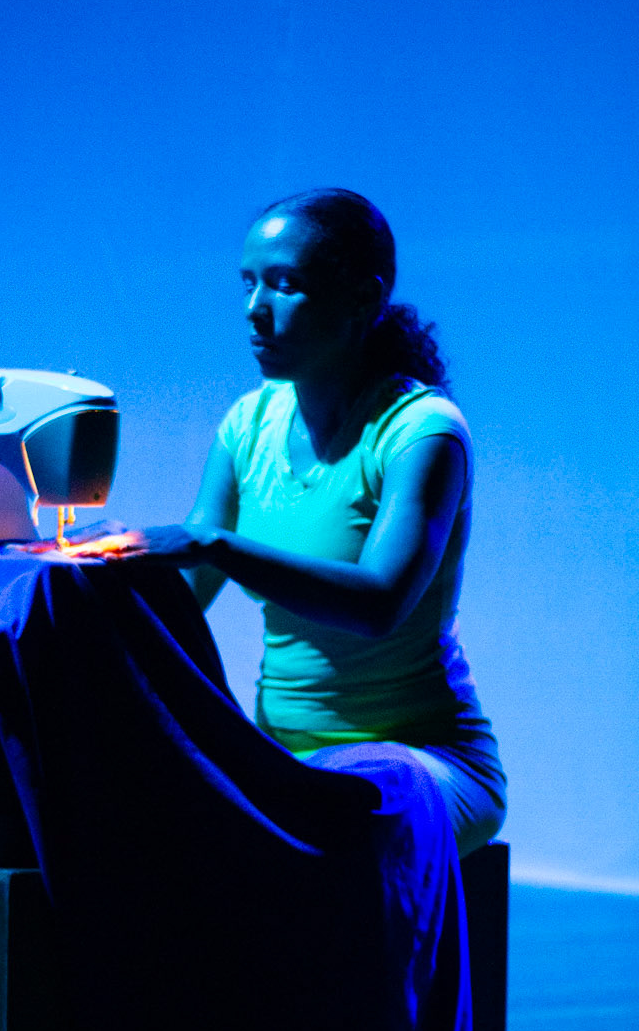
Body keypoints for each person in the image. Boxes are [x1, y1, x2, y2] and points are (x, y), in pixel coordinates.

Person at [139, 187, 505, 858]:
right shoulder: (247, 424)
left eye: (284, 285)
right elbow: (179, 599)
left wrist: (216, 545)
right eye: (248, 283)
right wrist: (75, 575)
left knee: (352, 805)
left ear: (363, 299)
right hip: (285, 760)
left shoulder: (421, 432)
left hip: (419, 761)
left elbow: (378, 603)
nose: (255, 309)